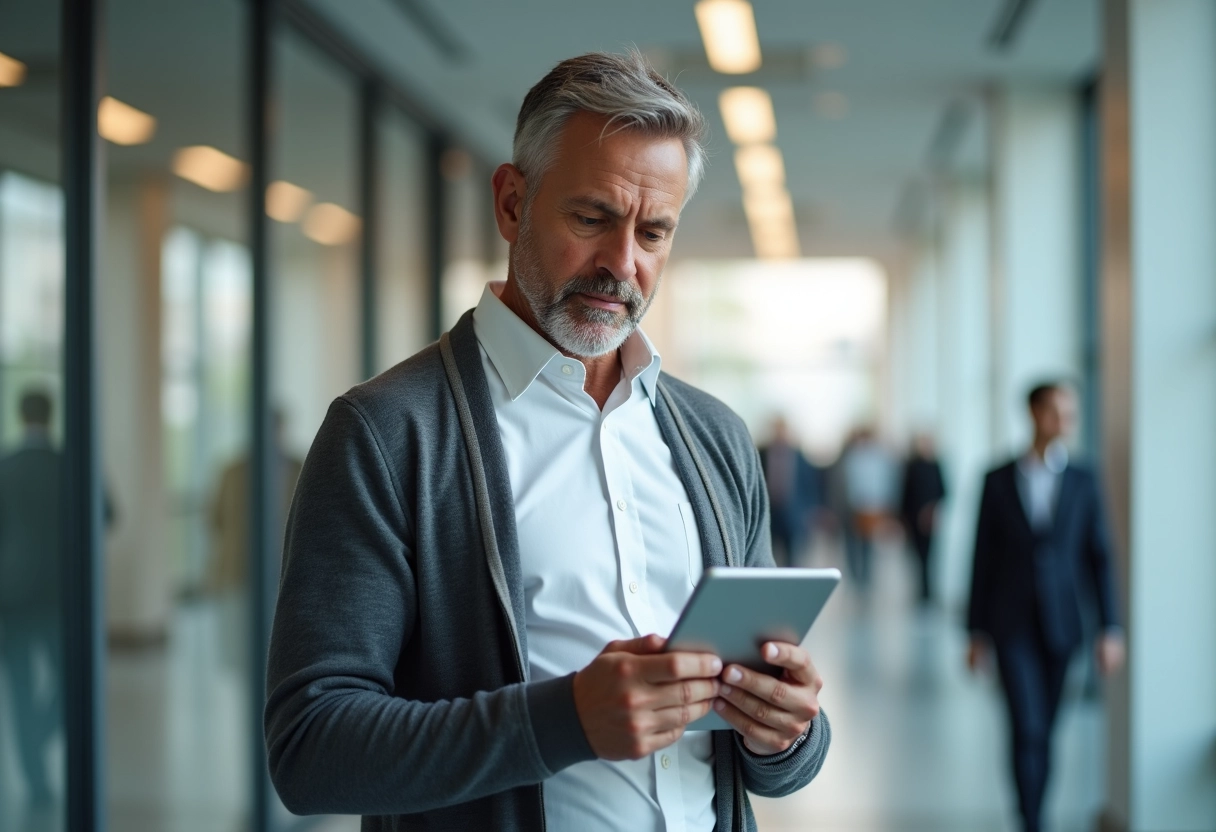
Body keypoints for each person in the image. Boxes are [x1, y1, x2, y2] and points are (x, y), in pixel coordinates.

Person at [264, 52, 830, 831]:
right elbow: (310, 747)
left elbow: (770, 755)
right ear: (511, 203)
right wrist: (564, 719)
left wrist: (787, 730)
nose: (621, 264)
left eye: (653, 232)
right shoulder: (386, 433)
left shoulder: (713, 437)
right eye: (591, 218)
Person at [967, 382, 1124, 832]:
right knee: (1026, 724)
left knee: (1048, 729)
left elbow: (1100, 557)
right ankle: (1030, 819)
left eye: (1070, 412)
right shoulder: (996, 480)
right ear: (1034, 414)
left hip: (1064, 624)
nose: (1066, 421)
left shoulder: (1084, 480)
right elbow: (982, 559)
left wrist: (1110, 627)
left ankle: (1038, 811)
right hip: (1010, 622)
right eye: (1057, 411)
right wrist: (975, 633)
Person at [0, 389, 63, 808]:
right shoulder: (69, 464)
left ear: (20, 416)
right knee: (69, 680)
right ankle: (42, 732)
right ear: (51, 416)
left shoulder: (5, 467)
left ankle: (36, 780)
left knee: (20, 686)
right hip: (63, 593)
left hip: (14, 594)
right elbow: (108, 513)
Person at [839, 427, 897, 588]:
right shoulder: (849, 458)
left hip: (871, 508)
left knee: (868, 545)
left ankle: (866, 579)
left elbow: (885, 483)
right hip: (851, 508)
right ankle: (855, 578)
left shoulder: (879, 459)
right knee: (851, 544)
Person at [759, 416, 820, 567]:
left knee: (793, 558)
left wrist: (810, 510)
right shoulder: (762, 453)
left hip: (793, 514)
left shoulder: (799, 455)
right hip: (769, 513)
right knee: (768, 556)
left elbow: (809, 485)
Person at [899, 432, 946, 602]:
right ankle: (921, 589)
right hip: (913, 519)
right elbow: (906, 493)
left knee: (930, 556)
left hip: (930, 519)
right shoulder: (912, 466)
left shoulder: (936, 465)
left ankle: (928, 591)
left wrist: (932, 510)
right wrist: (903, 518)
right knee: (917, 556)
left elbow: (944, 491)